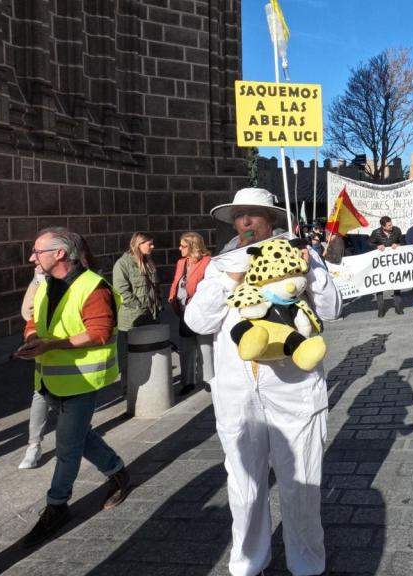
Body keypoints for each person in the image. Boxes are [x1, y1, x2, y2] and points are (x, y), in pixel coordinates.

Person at [185, 188, 342, 576]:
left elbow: (333, 310)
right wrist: (229, 282)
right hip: (239, 394)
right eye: (240, 216)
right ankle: (247, 562)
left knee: (300, 482)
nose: (246, 222)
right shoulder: (220, 264)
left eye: (254, 215)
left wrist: (311, 272)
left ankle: (305, 563)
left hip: (293, 388)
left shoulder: (301, 252)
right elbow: (196, 322)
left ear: (271, 219)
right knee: (244, 484)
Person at [15, 227, 130, 547]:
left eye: (37, 252)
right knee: (80, 434)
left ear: (59, 254)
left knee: (66, 445)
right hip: (50, 378)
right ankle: (117, 471)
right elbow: (34, 321)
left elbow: (100, 332)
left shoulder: (93, 286)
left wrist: (53, 344)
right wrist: (31, 340)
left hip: (81, 379)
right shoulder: (45, 284)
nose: (31, 258)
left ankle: (57, 505)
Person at [112, 232, 160, 387]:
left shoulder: (148, 261)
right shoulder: (123, 264)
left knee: (150, 353)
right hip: (131, 320)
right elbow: (122, 292)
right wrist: (140, 308)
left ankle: (148, 386)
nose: (152, 247)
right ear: (139, 244)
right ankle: (129, 388)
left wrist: (158, 305)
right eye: (149, 244)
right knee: (129, 356)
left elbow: (154, 288)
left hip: (150, 316)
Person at [169, 232, 214, 396]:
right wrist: (172, 296)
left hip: (201, 312)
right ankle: (187, 381)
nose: (179, 248)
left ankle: (209, 380)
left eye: (183, 245)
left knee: (205, 348)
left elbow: (211, 286)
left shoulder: (208, 262)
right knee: (186, 348)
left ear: (193, 246)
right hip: (184, 312)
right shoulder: (181, 262)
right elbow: (176, 282)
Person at [369, 216, 405, 317]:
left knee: (396, 284)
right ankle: (381, 309)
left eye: (391, 224)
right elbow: (369, 243)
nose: (391, 226)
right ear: (383, 226)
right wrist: (377, 246)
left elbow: (403, 241)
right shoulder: (376, 233)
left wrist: (398, 245)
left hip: (394, 262)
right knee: (380, 285)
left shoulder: (397, 230)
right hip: (381, 264)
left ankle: (398, 307)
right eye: (389, 225)